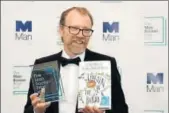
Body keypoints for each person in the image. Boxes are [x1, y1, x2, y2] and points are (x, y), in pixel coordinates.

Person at [24, 7, 128, 113]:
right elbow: (28, 109)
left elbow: (122, 109)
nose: (80, 35)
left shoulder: (106, 64)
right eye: (74, 28)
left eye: (86, 30)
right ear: (61, 30)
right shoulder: (44, 65)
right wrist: (37, 111)